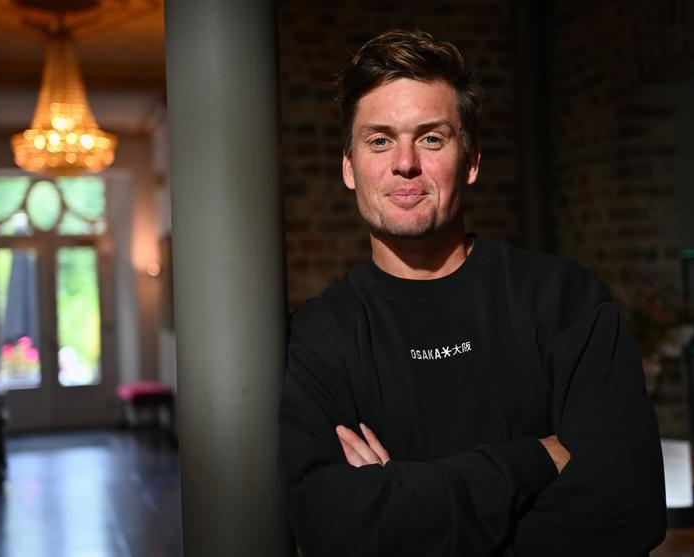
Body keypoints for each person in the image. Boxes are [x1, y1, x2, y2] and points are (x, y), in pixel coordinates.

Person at [278, 29, 666, 556]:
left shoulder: (562, 300)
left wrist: (402, 500)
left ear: (473, 160)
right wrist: (530, 461)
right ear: (349, 167)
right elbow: (332, 527)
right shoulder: (318, 336)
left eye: (432, 138)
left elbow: (627, 510)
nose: (405, 163)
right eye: (379, 139)